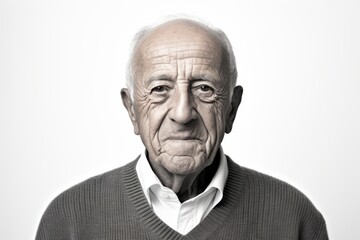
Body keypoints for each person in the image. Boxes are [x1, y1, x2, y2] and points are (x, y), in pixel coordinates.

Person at [36, 18, 328, 240]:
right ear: (132, 111)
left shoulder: (294, 218)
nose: (182, 113)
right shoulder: (69, 219)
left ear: (231, 109)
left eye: (204, 88)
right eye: (160, 89)